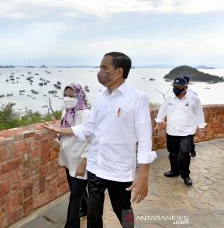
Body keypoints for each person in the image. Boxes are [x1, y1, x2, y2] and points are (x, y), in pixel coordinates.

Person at [43, 52, 157, 228]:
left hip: (119, 169)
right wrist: (61, 130)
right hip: (96, 166)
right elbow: (88, 128)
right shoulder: (100, 98)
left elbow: (144, 138)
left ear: (118, 72)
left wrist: (143, 175)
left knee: (124, 210)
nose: (100, 72)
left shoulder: (137, 98)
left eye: (105, 67)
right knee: (94, 214)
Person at [155, 77, 206, 186]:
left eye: (179, 87)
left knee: (184, 153)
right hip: (172, 131)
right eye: (174, 87)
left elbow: (199, 114)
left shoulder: (194, 99)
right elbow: (162, 110)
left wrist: (201, 128)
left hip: (187, 132)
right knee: (172, 153)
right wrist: (158, 123)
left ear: (185, 88)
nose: (176, 89)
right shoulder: (169, 98)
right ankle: (174, 171)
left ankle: (185, 175)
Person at [58, 83, 90, 228]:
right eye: (66, 95)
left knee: (74, 198)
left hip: (79, 161)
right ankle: (87, 208)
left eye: (72, 95)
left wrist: (84, 162)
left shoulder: (85, 114)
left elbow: (93, 141)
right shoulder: (66, 112)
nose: (68, 98)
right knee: (76, 191)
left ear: (79, 96)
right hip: (68, 159)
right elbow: (63, 133)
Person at [182, 75, 198, 157]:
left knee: (189, 136)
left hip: (190, 118)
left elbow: (197, 106)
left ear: (187, 83)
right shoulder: (176, 91)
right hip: (180, 118)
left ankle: (192, 149)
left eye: (184, 81)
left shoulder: (193, 92)